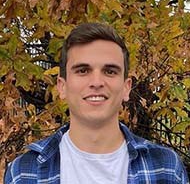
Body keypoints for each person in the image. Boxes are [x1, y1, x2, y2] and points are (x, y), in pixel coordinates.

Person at [4, 22, 189, 184]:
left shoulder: (165, 168)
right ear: (62, 87)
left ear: (126, 87)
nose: (97, 82)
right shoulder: (24, 172)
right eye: (83, 70)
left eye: (110, 71)